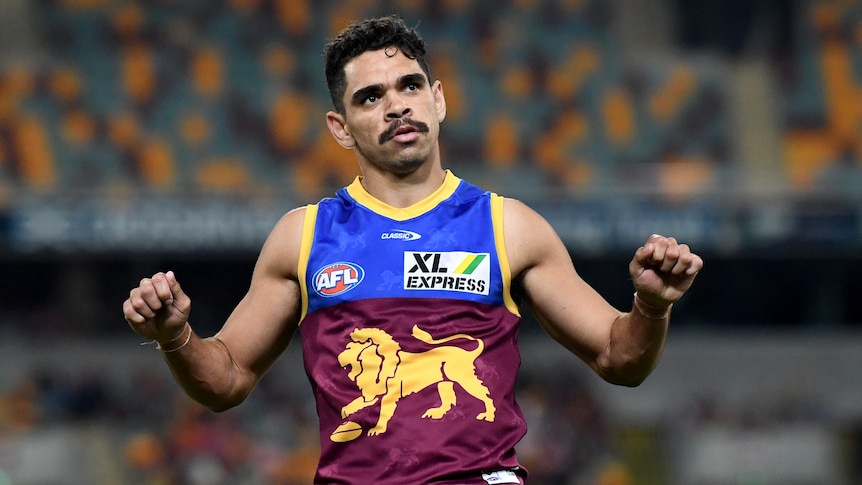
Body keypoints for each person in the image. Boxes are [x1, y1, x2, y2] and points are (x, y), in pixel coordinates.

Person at [123, 15, 703, 485]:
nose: (397, 105)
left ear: (439, 99)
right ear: (340, 126)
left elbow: (619, 360)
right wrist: (176, 335)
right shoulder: (303, 237)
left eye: (410, 86)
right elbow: (225, 382)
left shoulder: (509, 227)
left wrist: (651, 307)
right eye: (370, 97)